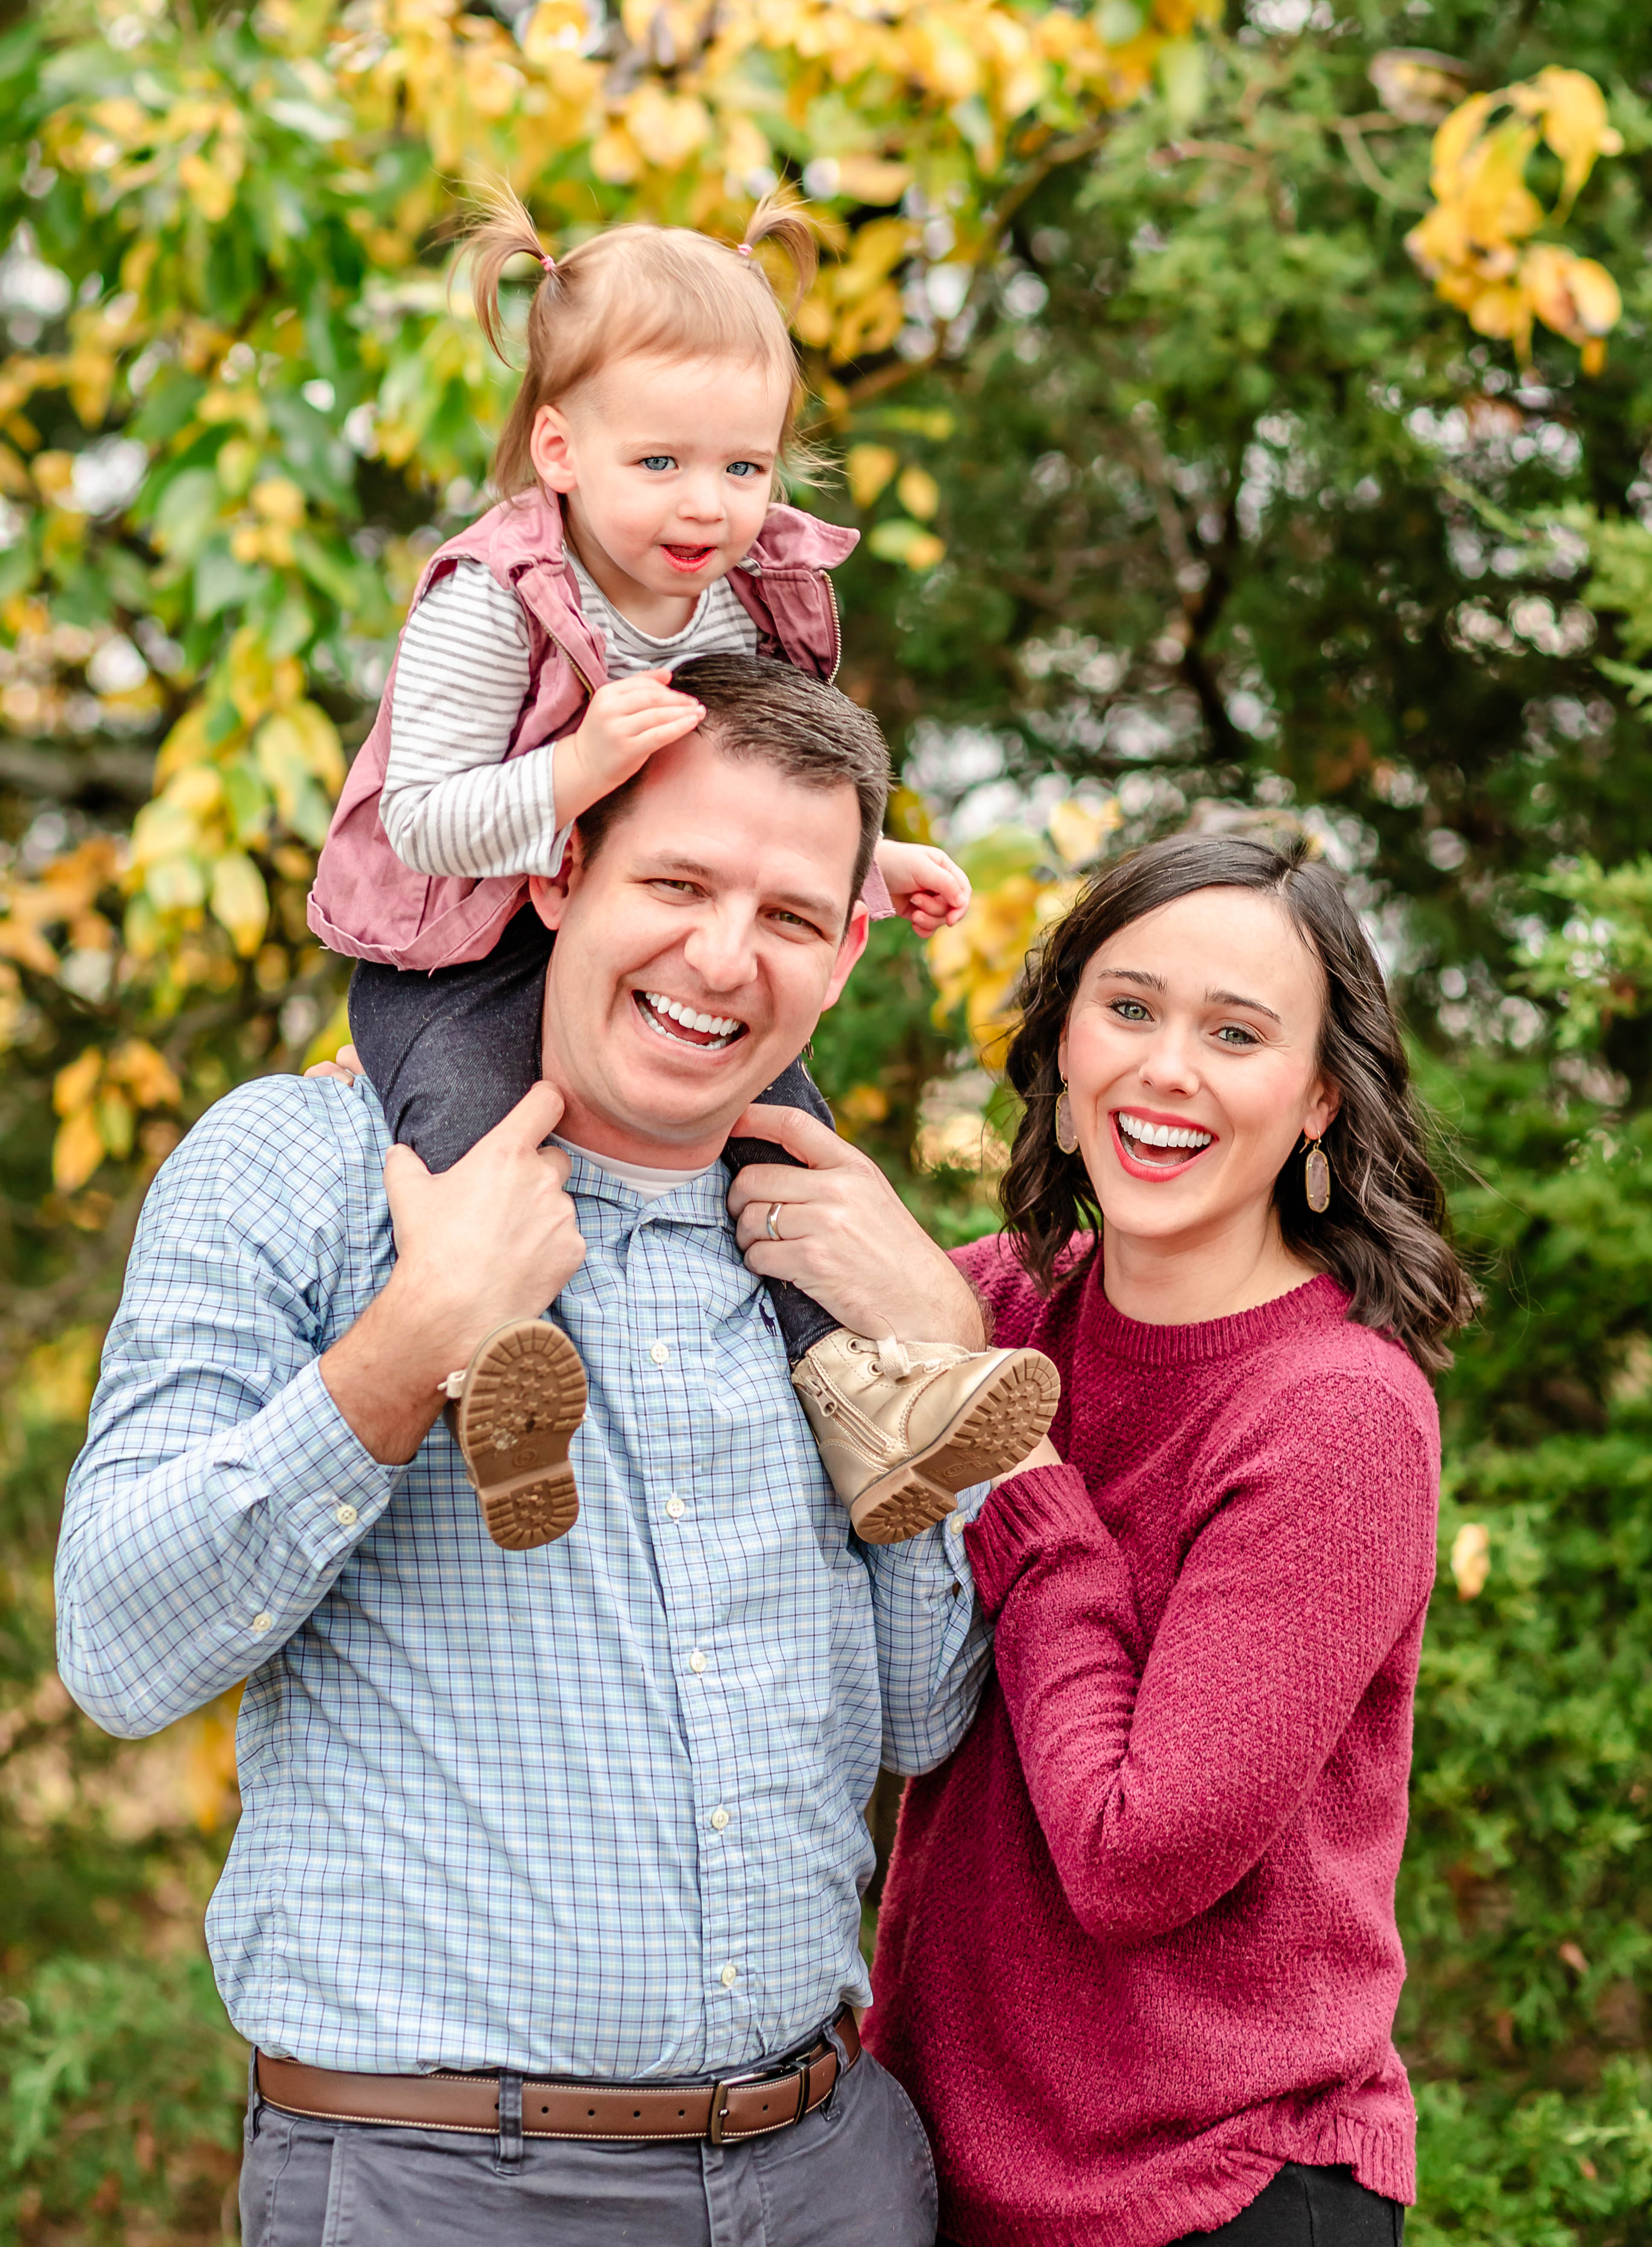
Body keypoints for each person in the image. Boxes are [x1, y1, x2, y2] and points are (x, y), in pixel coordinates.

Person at [56, 656, 1010, 2247]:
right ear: (560, 872)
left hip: (823, 2172)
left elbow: (922, 1721)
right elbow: (117, 1648)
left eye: (787, 916)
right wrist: (412, 1342)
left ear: (846, 953)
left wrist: (931, 1356)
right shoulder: (302, 1168)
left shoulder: (831, 1250)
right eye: (677, 884)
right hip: (442, 2187)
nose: (723, 957)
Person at [306, 184, 1056, 1551]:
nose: (707, 505)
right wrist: (574, 774)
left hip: (629, 924)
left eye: (743, 468)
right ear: (559, 447)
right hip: (454, 947)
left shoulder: (732, 594)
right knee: (476, 1129)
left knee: (788, 1135)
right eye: (659, 462)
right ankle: (499, 1383)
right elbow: (419, 821)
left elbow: (735, 808)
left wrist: (867, 866)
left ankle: (863, 1393)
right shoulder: (491, 600)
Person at [862, 831, 1479, 2247]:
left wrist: (1017, 1469)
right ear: (1061, 1042)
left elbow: (1131, 1858)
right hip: (944, 2176)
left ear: (1319, 1099)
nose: (1165, 1069)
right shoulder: (1013, 1310)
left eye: (1235, 1033)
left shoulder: (1335, 1413)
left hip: (1219, 2190)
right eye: (1128, 1008)